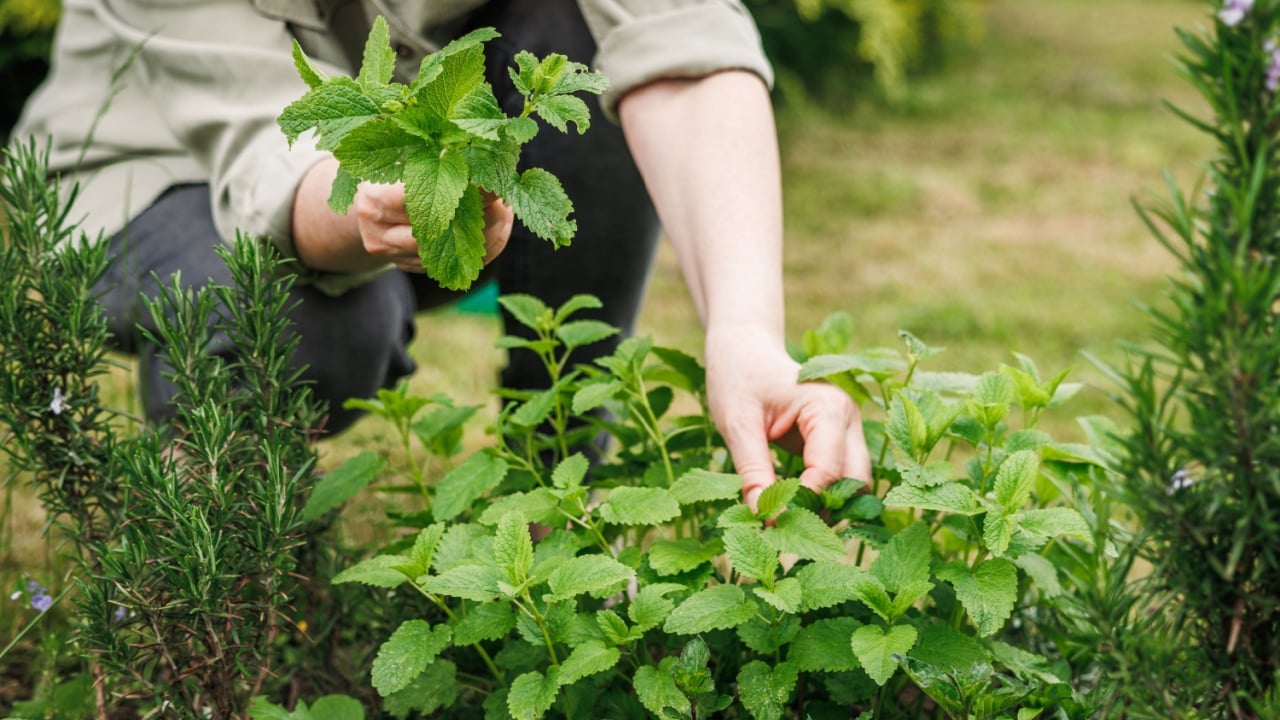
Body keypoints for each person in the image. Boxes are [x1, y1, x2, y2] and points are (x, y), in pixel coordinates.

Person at [11, 0, 869, 508]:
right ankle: (217, 560)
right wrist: (386, 210)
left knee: (579, 43)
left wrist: (749, 334)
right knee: (309, 331)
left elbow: (677, 39)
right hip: (153, 171)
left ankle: (560, 489)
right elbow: (265, 148)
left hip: (435, 171)